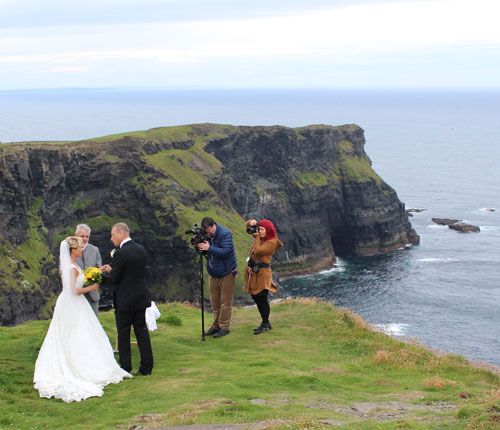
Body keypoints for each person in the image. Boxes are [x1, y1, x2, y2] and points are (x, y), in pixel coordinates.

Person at [33, 236, 131, 403]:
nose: (81, 250)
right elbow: (73, 291)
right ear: (72, 250)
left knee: (81, 332)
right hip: (73, 302)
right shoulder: (71, 268)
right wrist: (91, 287)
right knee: (75, 332)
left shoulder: (72, 266)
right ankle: (78, 367)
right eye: (79, 248)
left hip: (73, 304)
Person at [101, 223, 154, 375]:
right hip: (140, 296)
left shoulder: (120, 253)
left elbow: (115, 279)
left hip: (125, 299)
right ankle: (146, 367)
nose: (111, 239)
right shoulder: (140, 249)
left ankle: (125, 367)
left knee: (123, 332)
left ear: (121, 233)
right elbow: (131, 272)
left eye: (112, 235)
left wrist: (99, 276)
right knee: (141, 331)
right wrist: (113, 270)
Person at [197, 217, 237, 339]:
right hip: (213, 273)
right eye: (206, 232)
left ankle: (224, 327)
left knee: (225, 302)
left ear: (214, 225)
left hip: (226, 272)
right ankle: (216, 326)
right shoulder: (207, 235)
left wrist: (209, 248)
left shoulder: (225, 234)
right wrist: (198, 244)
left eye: (209, 231)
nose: (208, 234)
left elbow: (226, 251)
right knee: (215, 302)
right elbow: (201, 251)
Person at [244, 219, 283, 335]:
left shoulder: (272, 242)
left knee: (262, 298)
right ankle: (266, 322)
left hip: (263, 274)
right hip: (254, 272)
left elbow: (258, 250)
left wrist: (257, 237)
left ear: (268, 230)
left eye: (261, 229)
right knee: (256, 297)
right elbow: (248, 229)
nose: (259, 231)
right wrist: (251, 223)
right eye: (259, 229)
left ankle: (265, 324)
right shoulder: (262, 239)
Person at [75, 223, 102, 316]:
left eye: (87, 236)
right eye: (82, 236)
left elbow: (99, 269)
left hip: (92, 295)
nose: (85, 239)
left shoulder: (95, 250)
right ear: (76, 236)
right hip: (76, 296)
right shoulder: (69, 250)